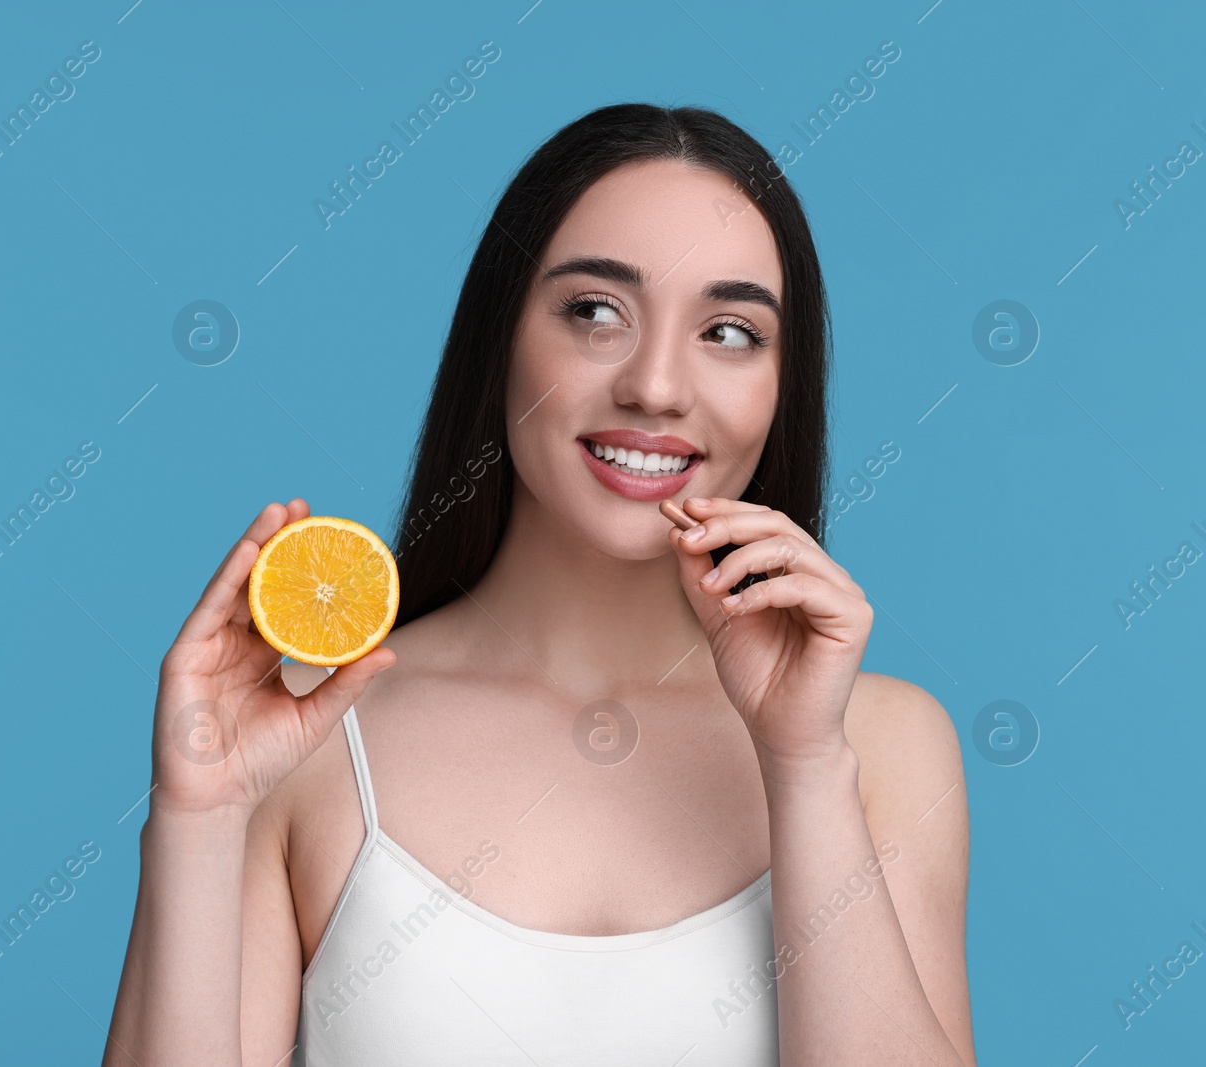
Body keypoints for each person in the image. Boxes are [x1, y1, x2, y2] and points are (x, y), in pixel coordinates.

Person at [104, 103, 975, 1065]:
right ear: (500, 341)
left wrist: (806, 768)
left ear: (783, 384)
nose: (655, 386)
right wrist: (199, 816)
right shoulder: (302, 731)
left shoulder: (883, 745)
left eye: (729, 331)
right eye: (596, 312)